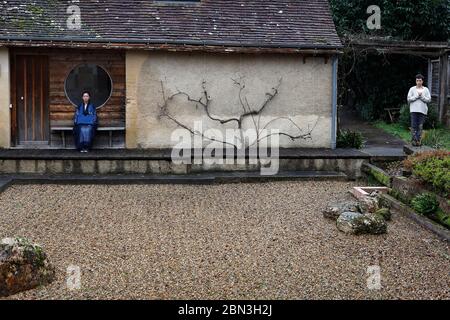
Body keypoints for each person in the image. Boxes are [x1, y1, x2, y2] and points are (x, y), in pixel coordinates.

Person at [407, 74, 431, 146]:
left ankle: (418, 141)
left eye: (420, 80)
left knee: (420, 126)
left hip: (422, 111)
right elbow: (409, 99)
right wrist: (417, 96)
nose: (418, 82)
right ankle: (414, 141)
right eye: (417, 80)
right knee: (414, 125)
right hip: (414, 110)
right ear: (415, 81)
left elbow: (429, 100)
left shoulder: (426, 89)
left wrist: (422, 97)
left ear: (422, 81)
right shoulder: (412, 89)